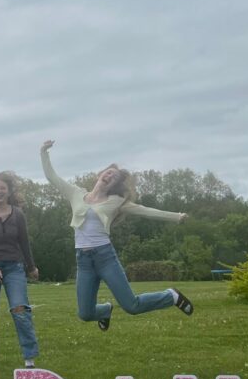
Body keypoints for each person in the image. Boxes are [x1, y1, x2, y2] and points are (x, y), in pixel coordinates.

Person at [40, 140, 194, 330]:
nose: (109, 175)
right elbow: (51, 177)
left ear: (114, 185)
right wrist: (44, 152)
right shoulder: (76, 193)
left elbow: (145, 210)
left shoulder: (116, 201)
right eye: (108, 172)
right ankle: (105, 310)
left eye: (114, 177)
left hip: (105, 258)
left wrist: (177, 217)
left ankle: (171, 296)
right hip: (84, 261)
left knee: (132, 306)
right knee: (85, 314)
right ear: (100, 174)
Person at [0, 173, 40, 369]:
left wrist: (31, 267)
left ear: (9, 192)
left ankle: (29, 361)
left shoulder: (18, 214)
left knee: (20, 310)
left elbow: (24, 242)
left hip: (14, 268)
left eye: (2, 188)